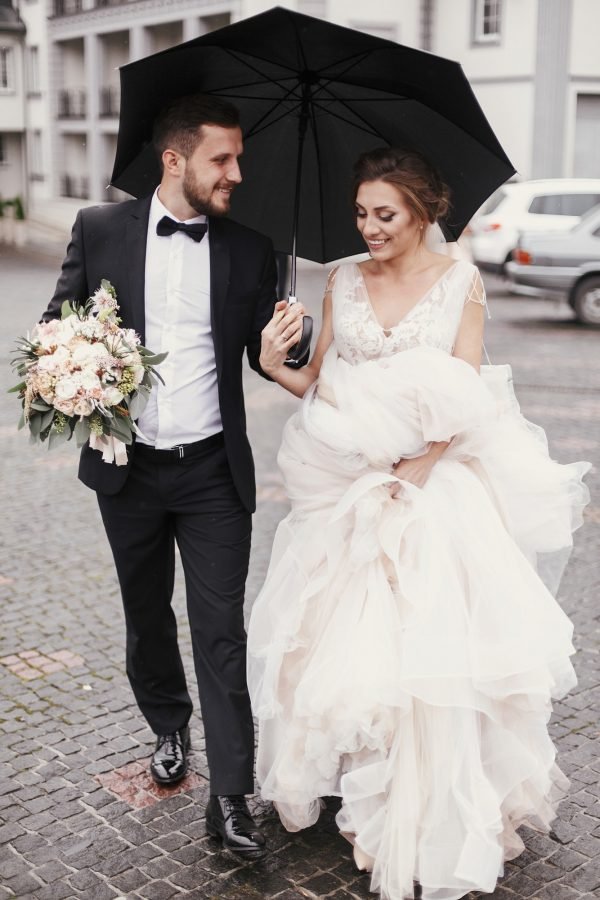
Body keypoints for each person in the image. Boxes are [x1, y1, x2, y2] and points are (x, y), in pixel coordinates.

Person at [248, 147, 590, 898]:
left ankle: (424, 801)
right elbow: (317, 382)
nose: (370, 227)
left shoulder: (461, 282)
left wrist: (425, 462)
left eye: (385, 214)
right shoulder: (341, 279)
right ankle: (364, 783)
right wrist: (278, 363)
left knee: (430, 652)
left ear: (422, 212)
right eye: (362, 213)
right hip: (345, 483)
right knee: (344, 644)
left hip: (433, 489)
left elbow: (467, 389)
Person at [42, 94, 307, 857]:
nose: (236, 172)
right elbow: (57, 326)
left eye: (240, 159)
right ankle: (167, 723)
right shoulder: (98, 229)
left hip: (214, 475)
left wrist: (295, 332)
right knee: (148, 613)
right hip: (128, 471)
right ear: (174, 159)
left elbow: (276, 355)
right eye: (222, 159)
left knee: (222, 632)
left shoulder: (254, 249)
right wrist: (72, 369)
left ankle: (229, 799)